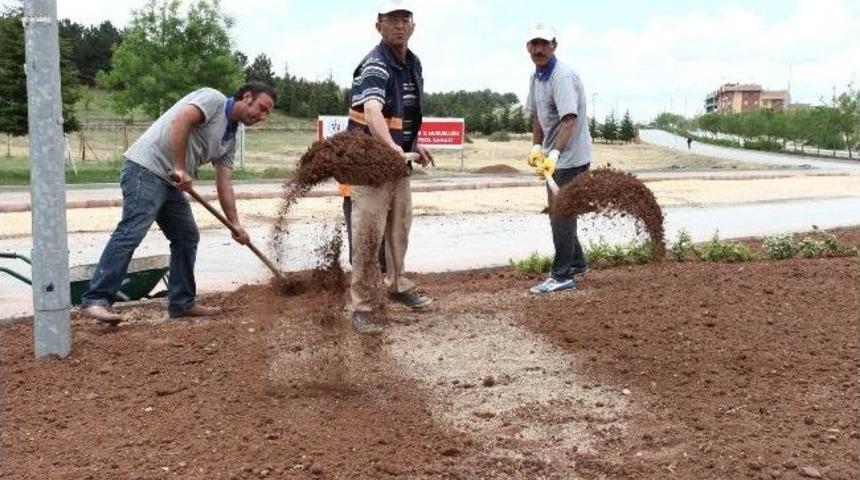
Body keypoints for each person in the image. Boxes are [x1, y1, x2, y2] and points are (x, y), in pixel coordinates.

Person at [80, 82, 276, 324]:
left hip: (171, 182)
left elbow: (224, 183)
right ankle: (96, 299)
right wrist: (180, 168)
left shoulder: (229, 139)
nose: (263, 116)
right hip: (146, 169)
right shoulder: (212, 99)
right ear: (247, 97)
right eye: (262, 108)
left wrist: (235, 224)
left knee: (186, 237)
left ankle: (181, 303)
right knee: (132, 231)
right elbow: (180, 121)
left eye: (268, 113)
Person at [346, 0, 434, 334]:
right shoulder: (375, 64)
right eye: (391, 19)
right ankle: (364, 305)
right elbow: (372, 111)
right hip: (371, 165)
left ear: (412, 26)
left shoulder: (413, 64)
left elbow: (406, 115)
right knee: (368, 233)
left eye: (404, 19)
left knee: (399, 229)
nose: (399, 25)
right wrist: (393, 147)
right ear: (378, 25)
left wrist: (412, 146)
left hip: (398, 162)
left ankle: (397, 284)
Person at [524, 24, 592, 294]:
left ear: (554, 45)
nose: (539, 49)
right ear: (528, 47)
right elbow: (538, 116)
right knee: (561, 213)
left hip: (571, 158)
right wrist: (536, 147)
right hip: (555, 158)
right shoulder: (536, 76)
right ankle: (577, 263)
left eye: (544, 43)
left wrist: (554, 154)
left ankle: (561, 275)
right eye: (534, 44)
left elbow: (569, 120)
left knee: (560, 215)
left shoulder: (561, 76)